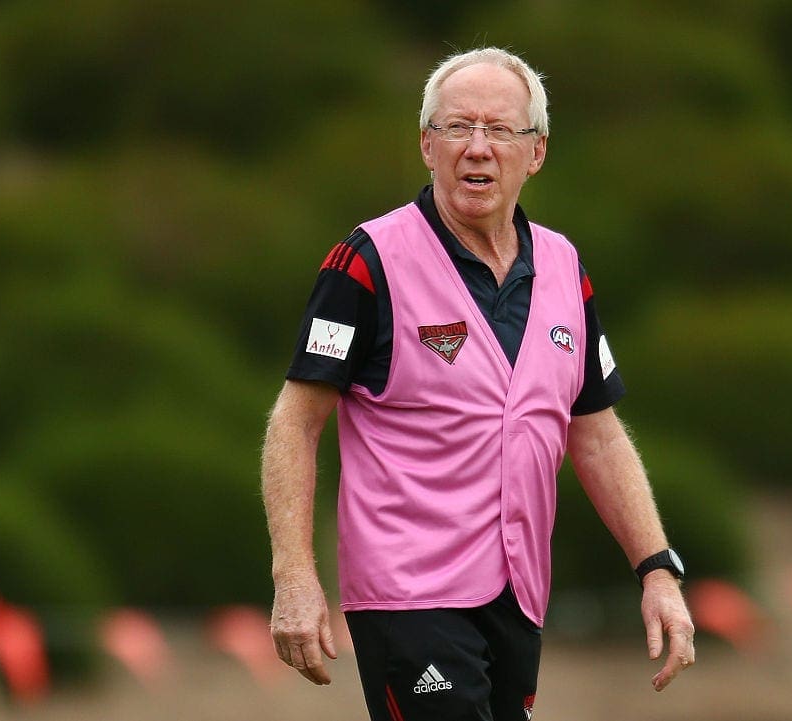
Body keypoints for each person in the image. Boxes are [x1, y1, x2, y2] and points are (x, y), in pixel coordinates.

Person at [261, 47, 695, 721]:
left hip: (519, 594)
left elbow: (598, 434)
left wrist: (657, 571)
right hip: (408, 594)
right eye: (458, 127)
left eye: (500, 130)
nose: (478, 148)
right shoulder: (367, 261)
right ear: (426, 144)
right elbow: (295, 421)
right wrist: (294, 574)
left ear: (537, 151)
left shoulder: (564, 266)